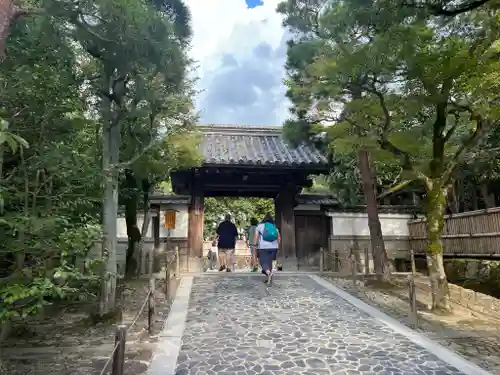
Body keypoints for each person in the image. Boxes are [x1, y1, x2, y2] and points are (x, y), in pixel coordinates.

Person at [254, 213, 280, 284]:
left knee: (262, 261)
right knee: (270, 262)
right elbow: (278, 238)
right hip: (274, 247)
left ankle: (268, 273)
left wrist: (255, 244)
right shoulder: (274, 227)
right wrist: (278, 245)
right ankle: (269, 279)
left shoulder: (260, 226)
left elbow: (256, 237)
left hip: (263, 247)